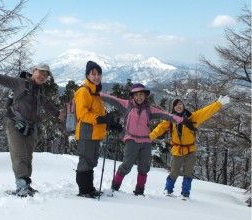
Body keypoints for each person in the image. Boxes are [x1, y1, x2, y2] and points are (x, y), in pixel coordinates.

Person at [0, 63, 62, 197]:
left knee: (28, 156)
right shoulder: (20, 83)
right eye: (40, 72)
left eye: (45, 75)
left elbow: (46, 103)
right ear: (33, 71)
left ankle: (26, 185)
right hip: (14, 123)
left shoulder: (39, 90)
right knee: (19, 155)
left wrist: (58, 113)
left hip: (30, 126)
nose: (42, 76)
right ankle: (21, 186)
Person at [100, 83, 187, 196]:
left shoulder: (149, 109)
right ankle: (115, 186)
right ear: (133, 96)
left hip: (146, 141)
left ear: (145, 96)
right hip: (131, 139)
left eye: (141, 94)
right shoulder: (126, 105)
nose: (139, 97)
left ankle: (139, 191)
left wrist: (180, 120)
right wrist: (96, 93)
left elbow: (165, 115)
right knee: (126, 165)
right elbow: (111, 99)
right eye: (136, 95)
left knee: (144, 167)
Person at [149, 96, 230, 199]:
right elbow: (159, 129)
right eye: (176, 105)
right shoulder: (170, 119)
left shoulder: (193, 117)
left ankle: (185, 194)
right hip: (177, 150)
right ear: (173, 108)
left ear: (183, 105)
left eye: (180, 104)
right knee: (174, 172)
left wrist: (218, 104)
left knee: (188, 173)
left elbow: (206, 111)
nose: (178, 106)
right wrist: (149, 137)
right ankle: (168, 190)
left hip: (190, 150)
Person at [74, 60, 110, 198]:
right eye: (93, 74)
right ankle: (84, 190)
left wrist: (108, 120)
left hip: (94, 132)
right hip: (86, 131)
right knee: (86, 160)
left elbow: (99, 112)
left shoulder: (95, 93)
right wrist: (100, 119)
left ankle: (89, 188)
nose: (96, 76)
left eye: (99, 74)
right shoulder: (84, 91)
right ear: (87, 75)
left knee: (92, 160)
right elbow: (82, 114)